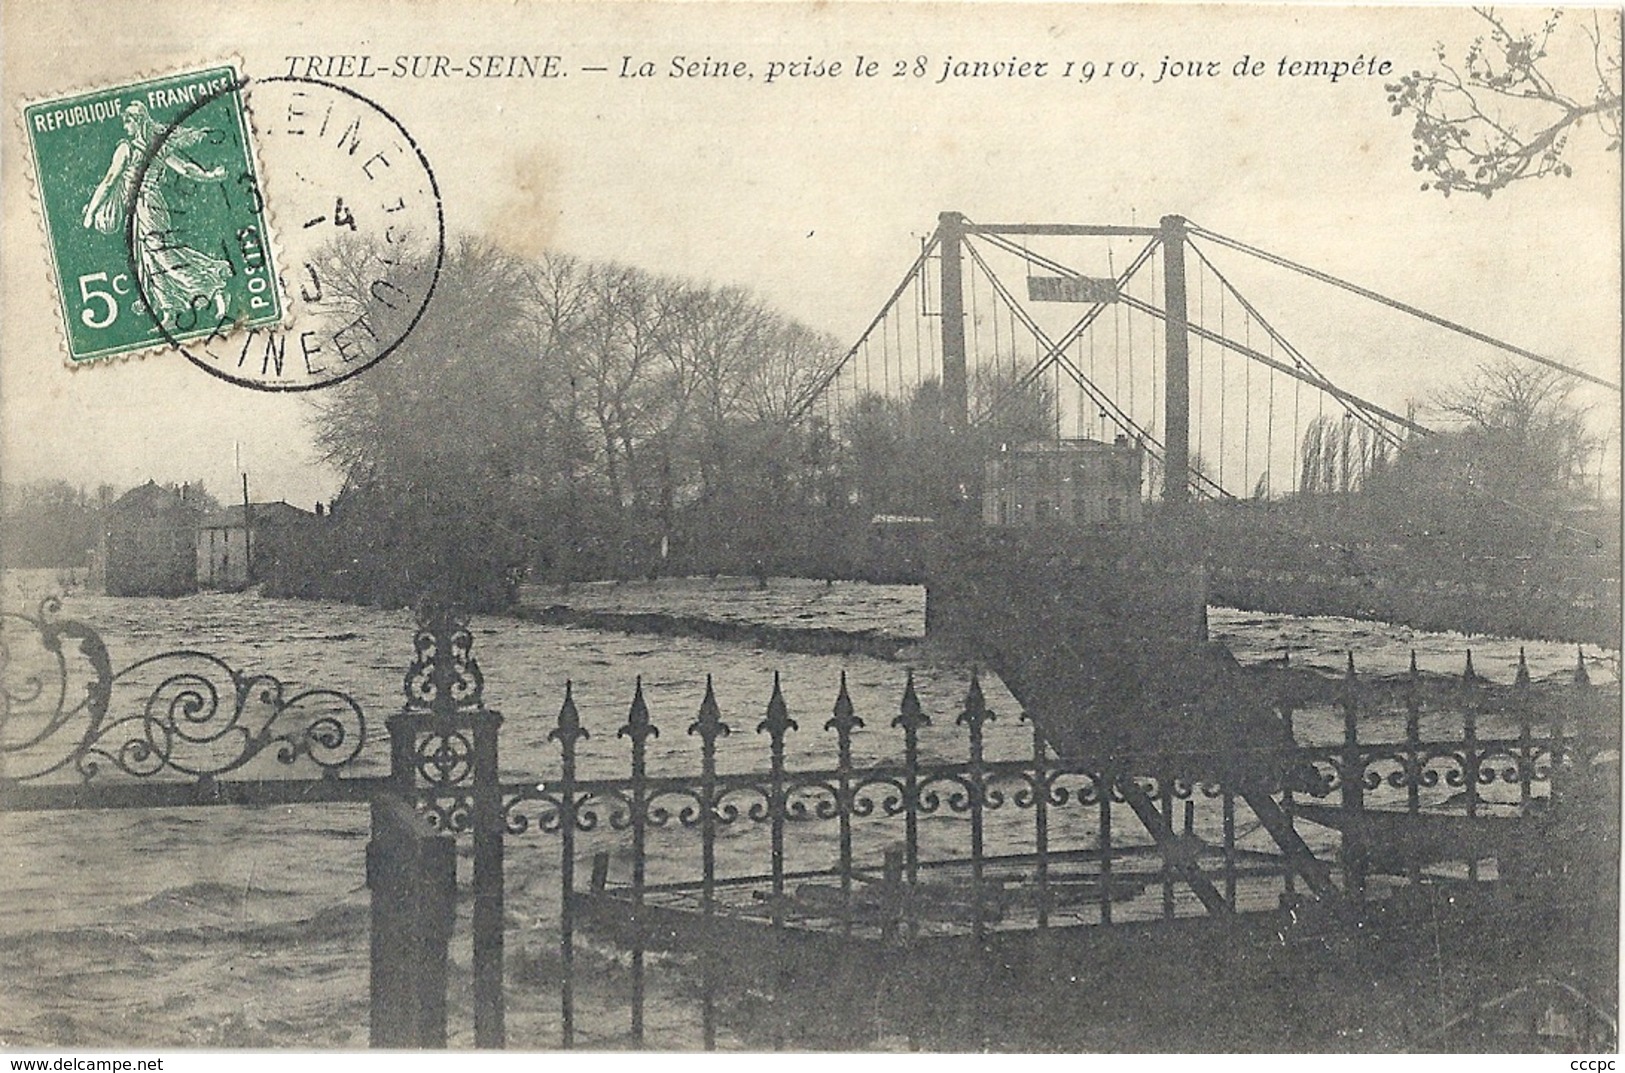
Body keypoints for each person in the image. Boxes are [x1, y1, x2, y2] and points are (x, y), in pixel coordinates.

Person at [82, 101, 232, 329]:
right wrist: (209, 175)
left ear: (138, 121)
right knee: (149, 259)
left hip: (146, 206)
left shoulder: (127, 149)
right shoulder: (156, 146)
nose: (126, 127)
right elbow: (185, 168)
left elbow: (109, 180)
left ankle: (212, 289)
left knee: (162, 257)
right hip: (147, 207)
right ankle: (169, 311)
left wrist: (91, 212)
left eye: (128, 122)